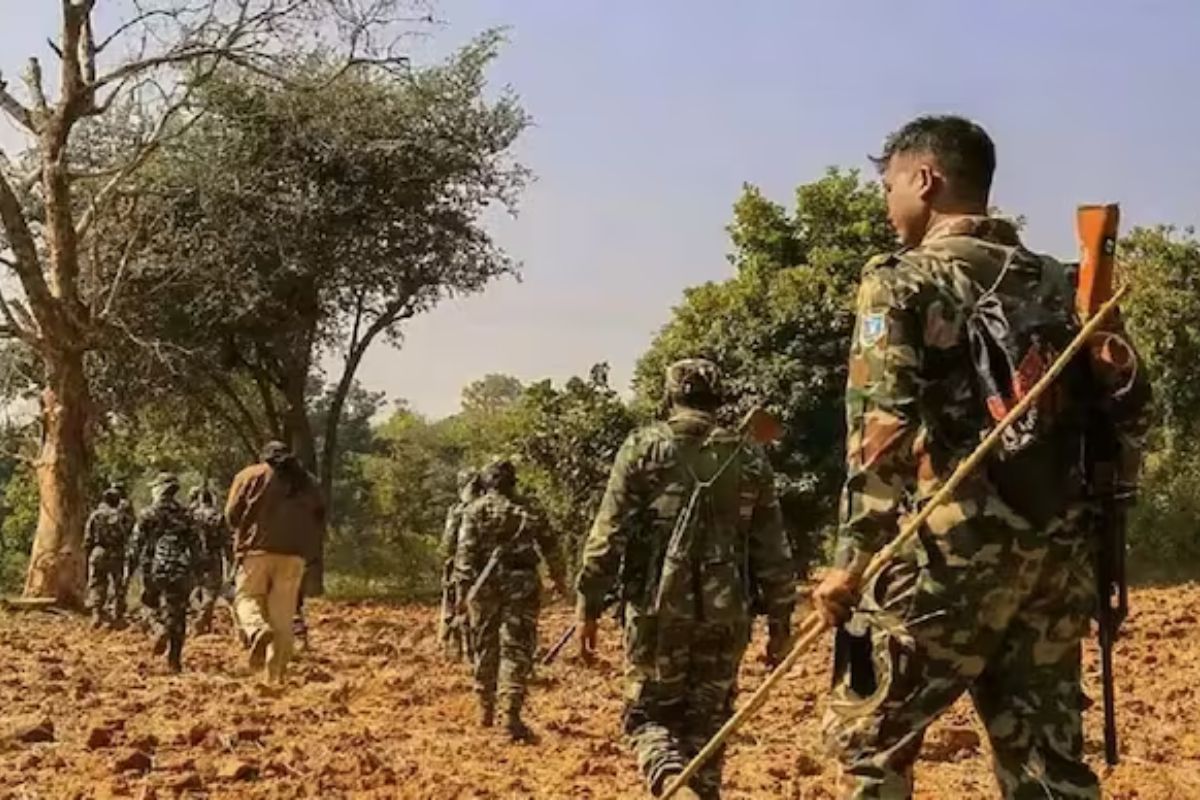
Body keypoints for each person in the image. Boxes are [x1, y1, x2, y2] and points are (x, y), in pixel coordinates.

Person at [811, 115, 1152, 799]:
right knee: (1047, 767)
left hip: (951, 557)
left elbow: (882, 430)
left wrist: (853, 558)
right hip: (1055, 560)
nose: (887, 205)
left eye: (889, 187)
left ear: (925, 180)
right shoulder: (1061, 283)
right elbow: (1130, 415)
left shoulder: (900, 281)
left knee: (869, 742)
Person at [575, 358, 797, 800]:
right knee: (708, 725)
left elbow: (608, 535)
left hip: (656, 612)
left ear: (670, 395)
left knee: (647, 717)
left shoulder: (642, 448)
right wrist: (780, 623)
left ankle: (670, 782)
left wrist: (589, 605)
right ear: (718, 398)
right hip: (727, 613)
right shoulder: (749, 456)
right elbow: (773, 549)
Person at [454, 458, 567, 742]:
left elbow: (464, 556)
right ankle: (510, 717)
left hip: (485, 586)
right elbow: (551, 546)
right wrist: (560, 579)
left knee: (484, 644)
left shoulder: (474, 510)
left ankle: (485, 709)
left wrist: (462, 593)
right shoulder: (529, 508)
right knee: (515, 648)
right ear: (513, 481)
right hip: (521, 584)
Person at [225, 441, 325, 683]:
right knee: (283, 619)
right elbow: (320, 516)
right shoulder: (307, 481)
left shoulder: (249, 476)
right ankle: (275, 678)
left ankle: (257, 629)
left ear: (264, 457)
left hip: (256, 552)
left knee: (246, 598)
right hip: (294, 556)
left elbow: (232, 516)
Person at [134, 473, 203, 672]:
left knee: (148, 605)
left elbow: (135, 545)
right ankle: (174, 661)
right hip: (180, 568)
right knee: (178, 613)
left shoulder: (148, 514)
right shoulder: (186, 515)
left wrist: (130, 571)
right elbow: (196, 546)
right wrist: (198, 572)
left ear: (159, 489)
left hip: (154, 568)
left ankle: (159, 628)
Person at [440, 469, 483, 662]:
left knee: (459, 609)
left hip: (461, 567)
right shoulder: (488, 507)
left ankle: (462, 652)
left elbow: (448, 544)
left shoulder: (458, 510)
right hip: (486, 568)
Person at [84, 486, 133, 629]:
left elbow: (88, 538)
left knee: (97, 583)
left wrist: (89, 553)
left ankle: (97, 614)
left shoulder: (95, 515)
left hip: (99, 551)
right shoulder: (120, 517)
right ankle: (118, 614)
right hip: (117, 552)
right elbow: (127, 534)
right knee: (118, 584)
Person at [189, 486, 232, 635]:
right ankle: (202, 616)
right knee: (212, 590)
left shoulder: (191, 516)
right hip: (213, 556)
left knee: (196, 588)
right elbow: (226, 541)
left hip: (194, 556)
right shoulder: (217, 516)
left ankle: (203, 622)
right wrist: (231, 560)